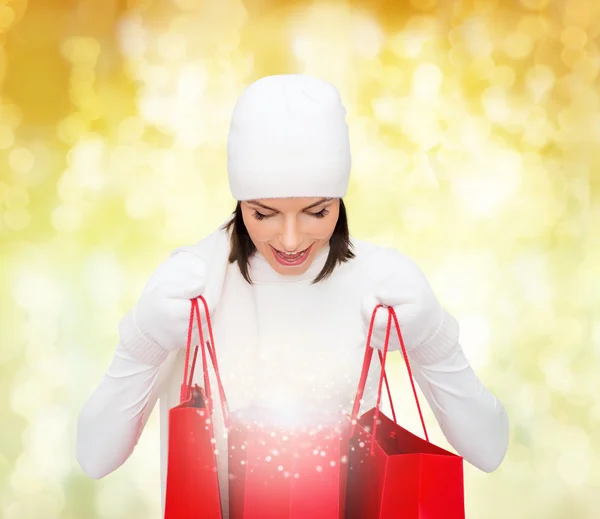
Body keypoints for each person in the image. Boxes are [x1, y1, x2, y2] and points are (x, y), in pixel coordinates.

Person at [76, 74, 509, 517]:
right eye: (263, 214)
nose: (289, 239)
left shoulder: (382, 284)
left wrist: (434, 340)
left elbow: (489, 448)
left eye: (316, 211)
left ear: (340, 198)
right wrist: (143, 343)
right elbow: (94, 457)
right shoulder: (193, 285)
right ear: (239, 200)